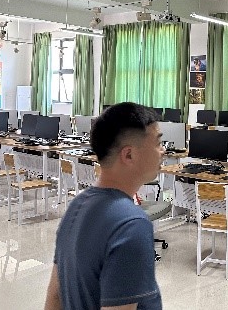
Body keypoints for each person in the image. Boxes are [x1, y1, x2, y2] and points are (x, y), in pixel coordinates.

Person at [44, 103, 165, 310]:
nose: (163, 151)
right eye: (158, 143)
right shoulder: (132, 225)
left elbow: (55, 298)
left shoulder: (77, 205)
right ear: (129, 155)